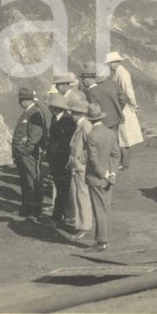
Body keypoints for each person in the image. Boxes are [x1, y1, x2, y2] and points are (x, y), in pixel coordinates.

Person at [84, 103, 120, 252]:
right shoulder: (110, 133)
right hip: (109, 178)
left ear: (90, 120)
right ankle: (106, 239)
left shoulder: (92, 135)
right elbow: (116, 154)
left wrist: (103, 174)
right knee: (106, 208)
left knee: (99, 210)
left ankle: (102, 242)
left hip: (96, 178)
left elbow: (93, 160)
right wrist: (112, 173)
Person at [11, 87, 47, 221]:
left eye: (21, 100)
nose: (19, 103)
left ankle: (34, 211)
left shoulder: (34, 112)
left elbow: (35, 135)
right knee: (26, 181)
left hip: (28, 154)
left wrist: (26, 151)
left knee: (32, 181)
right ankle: (26, 209)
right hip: (23, 154)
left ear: (26, 100)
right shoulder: (28, 112)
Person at [105, 52, 144, 169]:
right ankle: (124, 160)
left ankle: (124, 162)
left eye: (110, 63)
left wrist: (134, 104)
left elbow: (128, 90)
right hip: (122, 105)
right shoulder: (119, 72)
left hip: (124, 106)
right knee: (122, 134)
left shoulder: (122, 73)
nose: (109, 66)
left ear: (115, 62)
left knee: (123, 134)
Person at [66, 92, 94, 240]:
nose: (72, 115)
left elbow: (92, 146)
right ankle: (82, 224)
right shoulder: (80, 125)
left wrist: (83, 160)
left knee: (83, 197)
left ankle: (85, 226)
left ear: (79, 114)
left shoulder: (85, 126)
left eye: (73, 113)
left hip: (81, 169)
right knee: (79, 196)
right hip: (76, 167)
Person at [45, 94, 76, 225]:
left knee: (63, 189)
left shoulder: (68, 121)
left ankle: (59, 217)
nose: (49, 108)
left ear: (56, 107)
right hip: (55, 160)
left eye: (51, 106)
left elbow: (67, 142)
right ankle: (62, 216)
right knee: (61, 187)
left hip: (63, 160)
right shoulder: (55, 118)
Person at [81, 61, 124, 134]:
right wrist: (115, 111)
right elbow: (122, 100)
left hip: (102, 122)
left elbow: (93, 109)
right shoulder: (112, 84)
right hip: (115, 119)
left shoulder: (92, 92)